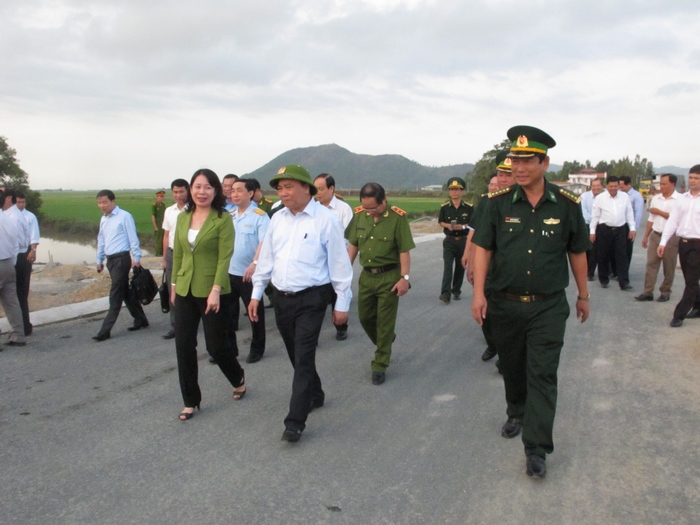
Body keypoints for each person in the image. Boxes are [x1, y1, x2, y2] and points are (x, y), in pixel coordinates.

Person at [471, 126, 590, 479]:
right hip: (505, 303)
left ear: (544, 163)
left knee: (543, 372)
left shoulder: (567, 205)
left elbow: (578, 252)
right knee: (513, 365)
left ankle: (537, 447)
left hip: (548, 306)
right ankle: (516, 410)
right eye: (515, 160)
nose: (519, 167)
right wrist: (478, 294)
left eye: (527, 161)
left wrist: (583, 294)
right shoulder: (497, 204)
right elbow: (483, 248)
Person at [249, 165, 352, 443]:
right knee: (296, 354)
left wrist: (342, 302)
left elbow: (340, 265)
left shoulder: (326, 220)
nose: (283, 193)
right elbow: (267, 258)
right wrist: (256, 293)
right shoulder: (277, 219)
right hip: (282, 298)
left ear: (306, 188)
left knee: (304, 355)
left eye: (289, 187)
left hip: (312, 297)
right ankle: (315, 393)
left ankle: (295, 421)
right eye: (279, 188)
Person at [171, 169, 246, 421]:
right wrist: (173, 285)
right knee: (183, 345)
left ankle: (237, 377)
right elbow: (179, 253)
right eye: (197, 186)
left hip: (212, 291)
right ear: (191, 189)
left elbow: (224, 257)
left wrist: (215, 290)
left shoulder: (222, 218)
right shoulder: (184, 217)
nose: (201, 192)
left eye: (207, 187)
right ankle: (190, 400)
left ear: (215, 191)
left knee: (215, 346)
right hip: (184, 288)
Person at [346, 182, 415, 385]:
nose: (371, 212)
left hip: (389, 278)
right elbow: (353, 245)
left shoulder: (397, 218)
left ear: (383, 201)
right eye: (366, 208)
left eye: (374, 208)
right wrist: (344, 271)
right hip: (367, 277)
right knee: (365, 317)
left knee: (384, 323)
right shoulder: (359, 215)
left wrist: (405, 279)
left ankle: (380, 364)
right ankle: (385, 341)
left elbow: (404, 251)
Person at [463, 152, 514, 364]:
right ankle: (493, 344)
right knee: (487, 312)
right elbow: (477, 236)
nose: (502, 180)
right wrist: (471, 261)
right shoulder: (487, 203)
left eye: (507, 174)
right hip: (489, 267)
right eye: (500, 174)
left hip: (511, 271)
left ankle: (505, 355)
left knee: (507, 316)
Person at [93, 190, 149, 341]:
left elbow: (133, 238)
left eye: (104, 202)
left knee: (115, 292)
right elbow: (102, 240)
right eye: (99, 203)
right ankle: (141, 319)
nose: (102, 205)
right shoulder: (103, 219)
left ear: (113, 201)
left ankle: (105, 330)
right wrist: (99, 260)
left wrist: (136, 258)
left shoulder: (124, 216)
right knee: (125, 292)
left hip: (122, 259)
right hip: (110, 260)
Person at [227, 178, 269, 363]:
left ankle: (257, 348)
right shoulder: (229, 215)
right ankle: (229, 349)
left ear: (250, 193)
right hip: (228, 272)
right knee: (227, 315)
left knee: (254, 313)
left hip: (249, 274)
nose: (234, 194)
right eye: (232, 190)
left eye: (239, 190)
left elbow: (264, 242)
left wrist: (255, 263)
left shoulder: (260, 216)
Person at [658, 165, 700, 328]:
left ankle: (679, 314)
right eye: (691, 177)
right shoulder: (682, 199)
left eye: (697, 178)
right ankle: (698, 306)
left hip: (698, 245)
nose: (693, 181)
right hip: (683, 243)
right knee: (690, 278)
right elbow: (673, 221)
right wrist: (663, 242)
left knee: (691, 282)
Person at [314, 173, 354, 340]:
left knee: (338, 292)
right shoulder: (312, 208)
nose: (318, 192)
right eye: (315, 189)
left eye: (321, 189)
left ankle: (341, 327)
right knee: (316, 298)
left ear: (331, 188)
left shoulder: (343, 209)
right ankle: (311, 335)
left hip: (337, 259)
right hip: (318, 261)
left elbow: (349, 237)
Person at [635, 174, 680, 302]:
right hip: (656, 235)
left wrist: (658, 211)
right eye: (660, 184)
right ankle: (648, 291)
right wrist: (645, 236)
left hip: (671, 237)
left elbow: (676, 219)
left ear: (673, 184)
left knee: (669, 265)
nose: (662, 186)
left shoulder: (679, 200)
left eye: (664, 184)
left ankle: (665, 292)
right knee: (651, 264)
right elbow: (651, 219)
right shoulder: (656, 199)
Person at [589, 176, 636, 291]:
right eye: (611, 186)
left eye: (616, 186)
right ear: (607, 186)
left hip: (620, 229)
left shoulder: (625, 197)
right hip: (604, 229)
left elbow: (629, 213)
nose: (613, 188)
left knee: (622, 256)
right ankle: (604, 279)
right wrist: (592, 231)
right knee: (603, 255)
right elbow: (595, 216)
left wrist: (632, 228)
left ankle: (624, 282)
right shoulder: (600, 198)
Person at [160, 178, 189, 339]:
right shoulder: (169, 211)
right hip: (172, 253)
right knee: (173, 289)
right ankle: (175, 325)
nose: (178, 195)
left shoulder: (194, 209)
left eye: (181, 192)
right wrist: (164, 259)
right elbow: (166, 235)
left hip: (189, 253)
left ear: (188, 191)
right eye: (175, 192)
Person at [438, 177, 473, 304]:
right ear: (449, 192)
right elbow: (441, 221)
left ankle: (456, 290)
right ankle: (445, 293)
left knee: (460, 267)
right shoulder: (445, 207)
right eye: (452, 189)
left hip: (463, 240)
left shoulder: (469, 207)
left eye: (457, 189)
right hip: (449, 240)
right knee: (448, 267)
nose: (454, 192)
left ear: (462, 191)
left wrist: (463, 226)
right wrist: (448, 226)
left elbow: (473, 224)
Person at [3, 190, 33, 337]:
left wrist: (12, 262)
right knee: (14, 298)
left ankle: (23, 329)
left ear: (8, 198)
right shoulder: (10, 215)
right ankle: (22, 330)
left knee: (19, 296)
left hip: (18, 258)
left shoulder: (12, 216)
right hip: (15, 258)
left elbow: (18, 242)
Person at [0, 189, 26, 347]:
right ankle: (19, 335)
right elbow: (16, 243)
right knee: (11, 301)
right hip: (9, 262)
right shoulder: (8, 218)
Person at [580, 178, 604, 282]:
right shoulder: (584, 197)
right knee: (589, 250)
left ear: (601, 186)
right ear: (591, 186)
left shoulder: (605, 197)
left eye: (598, 185)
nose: (596, 188)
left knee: (599, 250)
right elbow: (583, 212)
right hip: (587, 225)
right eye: (594, 186)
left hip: (601, 226)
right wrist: (595, 220)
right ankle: (588, 272)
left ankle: (596, 272)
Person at [619, 175, 645, 265]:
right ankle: (615, 271)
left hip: (629, 226)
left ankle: (625, 270)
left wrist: (633, 229)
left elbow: (638, 214)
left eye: (622, 186)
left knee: (627, 249)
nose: (620, 188)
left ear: (629, 184)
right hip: (619, 225)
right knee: (617, 249)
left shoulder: (636, 196)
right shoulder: (619, 194)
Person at [151, 191, 166, 257]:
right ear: (157, 197)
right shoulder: (154, 205)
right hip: (158, 223)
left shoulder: (163, 205)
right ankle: (157, 253)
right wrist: (155, 226)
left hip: (163, 222)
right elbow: (153, 216)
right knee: (158, 238)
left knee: (163, 237)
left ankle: (162, 252)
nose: (160, 198)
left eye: (162, 197)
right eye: (159, 197)